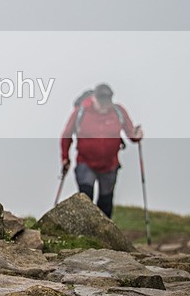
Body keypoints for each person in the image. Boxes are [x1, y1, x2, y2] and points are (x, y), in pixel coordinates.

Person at [61, 83, 143, 218]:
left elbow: (131, 134)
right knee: (86, 199)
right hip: (85, 163)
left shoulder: (118, 112)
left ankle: (103, 237)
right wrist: (65, 157)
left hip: (110, 165)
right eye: (101, 100)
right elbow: (66, 135)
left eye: (107, 101)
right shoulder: (81, 112)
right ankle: (85, 234)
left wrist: (137, 135)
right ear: (94, 98)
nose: (104, 104)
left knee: (105, 203)